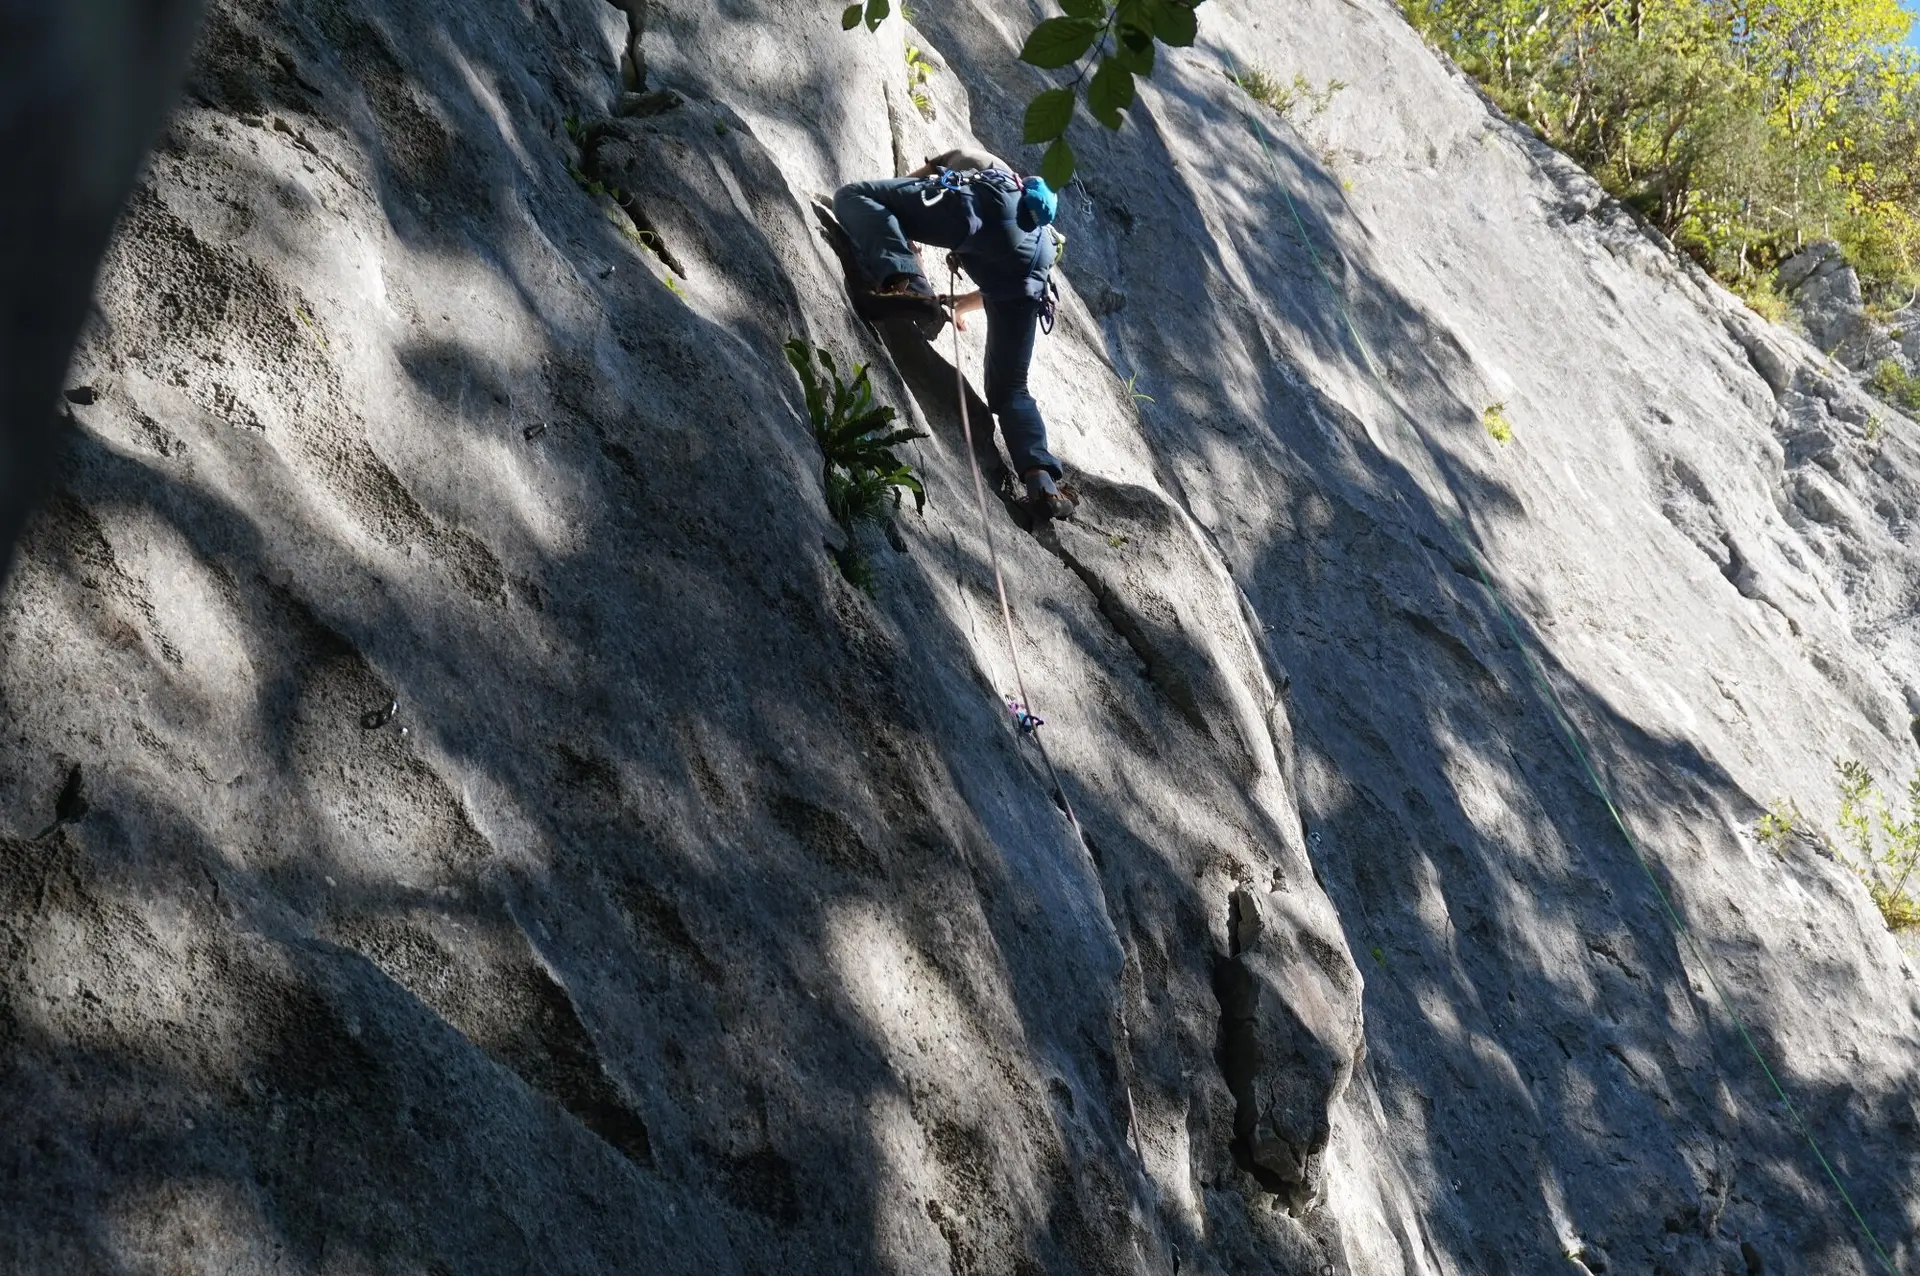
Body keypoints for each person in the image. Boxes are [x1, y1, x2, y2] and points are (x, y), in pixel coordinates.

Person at [833, 149, 1074, 521]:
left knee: (855, 197)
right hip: (1031, 270)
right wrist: (960, 303)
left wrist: (899, 227)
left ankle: (904, 285)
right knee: (1011, 389)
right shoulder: (1040, 234)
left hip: (985, 211)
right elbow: (1003, 281)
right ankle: (1041, 482)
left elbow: (913, 187)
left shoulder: (987, 168)